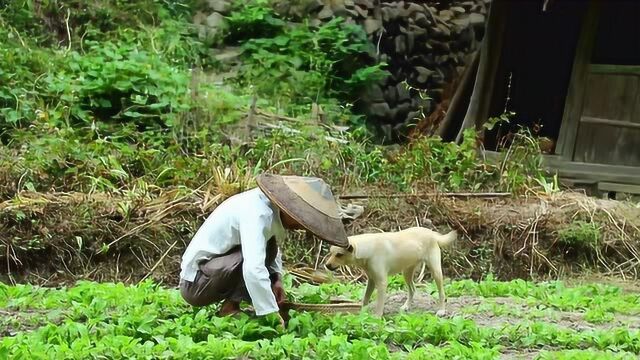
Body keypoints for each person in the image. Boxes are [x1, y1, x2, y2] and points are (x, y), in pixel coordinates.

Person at [179, 173, 349, 327]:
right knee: (259, 256)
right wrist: (271, 313)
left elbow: (270, 252)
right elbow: (253, 268)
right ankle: (230, 310)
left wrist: (276, 280)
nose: (300, 225)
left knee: (269, 248)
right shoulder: (257, 213)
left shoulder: (266, 210)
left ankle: (231, 306)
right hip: (196, 284)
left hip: (214, 271)